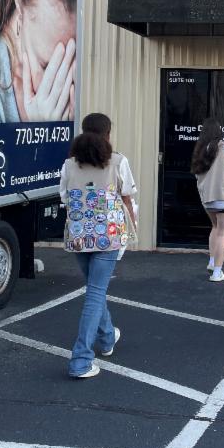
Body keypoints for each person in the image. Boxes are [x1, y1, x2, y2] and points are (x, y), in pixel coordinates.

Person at [59, 113, 138, 378]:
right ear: (108, 134)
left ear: (83, 132)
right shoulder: (118, 161)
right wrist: (132, 229)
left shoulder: (69, 165)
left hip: (78, 236)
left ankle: (107, 338)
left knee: (95, 289)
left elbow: (65, 198)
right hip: (108, 237)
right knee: (95, 293)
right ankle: (81, 360)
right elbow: (127, 198)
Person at [190, 119, 224, 282]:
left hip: (207, 199)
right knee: (223, 233)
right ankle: (217, 273)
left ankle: (212, 263)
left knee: (215, 228)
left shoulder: (200, 149)